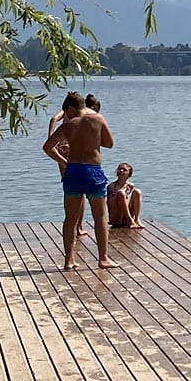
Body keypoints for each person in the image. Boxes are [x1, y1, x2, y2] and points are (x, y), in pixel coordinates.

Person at [42, 92, 117, 271]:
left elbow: (47, 147)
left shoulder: (69, 125)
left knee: (70, 218)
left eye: (66, 112)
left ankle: (69, 260)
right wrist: (93, 140)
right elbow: (109, 143)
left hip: (73, 170)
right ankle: (103, 258)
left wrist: (64, 161)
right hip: (93, 171)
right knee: (100, 216)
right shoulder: (98, 119)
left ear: (71, 108)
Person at [107, 162, 144, 229]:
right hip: (116, 219)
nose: (121, 171)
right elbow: (110, 204)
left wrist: (129, 192)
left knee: (137, 192)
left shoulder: (130, 186)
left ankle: (137, 219)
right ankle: (130, 221)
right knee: (121, 193)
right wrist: (122, 192)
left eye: (124, 170)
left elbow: (129, 201)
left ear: (129, 174)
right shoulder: (111, 186)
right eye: (119, 169)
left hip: (125, 218)